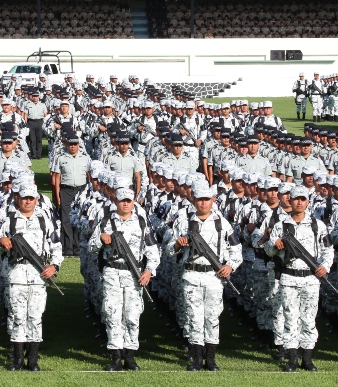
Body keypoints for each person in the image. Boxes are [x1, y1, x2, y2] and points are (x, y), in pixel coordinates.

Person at [168, 181, 242, 372]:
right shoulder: (184, 222)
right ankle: (195, 358)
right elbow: (168, 249)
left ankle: (210, 358)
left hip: (213, 276)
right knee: (194, 317)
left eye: (207, 200)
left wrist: (230, 266)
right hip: (191, 275)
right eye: (199, 200)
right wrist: (177, 245)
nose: (203, 203)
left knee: (212, 317)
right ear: (193, 200)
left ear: (213, 200)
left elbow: (236, 250)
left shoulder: (222, 223)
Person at [0, 182, 62, 371]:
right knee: (17, 316)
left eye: (31, 198)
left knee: (35, 316)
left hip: (38, 276)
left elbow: (56, 246)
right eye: (25, 198)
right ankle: (17, 360)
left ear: (37, 199)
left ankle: (32, 360)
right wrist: (0, 241)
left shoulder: (45, 221)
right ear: (18, 199)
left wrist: (54, 266)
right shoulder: (9, 221)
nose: (28, 201)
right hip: (15, 275)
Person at [90, 186, 159, 371]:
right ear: (116, 201)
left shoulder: (142, 222)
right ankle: (115, 357)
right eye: (122, 200)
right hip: (112, 273)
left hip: (134, 274)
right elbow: (91, 247)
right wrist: (100, 238)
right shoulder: (105, 221)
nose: (126, 203)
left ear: (134, 201)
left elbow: (153, 251)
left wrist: (149, 271)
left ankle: (130, 356)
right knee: (112, 314)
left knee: (132, 316)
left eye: (129, 200)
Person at [266, 185, 334, 372]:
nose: (299, 202)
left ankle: (307, 358)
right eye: (296, 199)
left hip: (310, 278)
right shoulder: (281, 225)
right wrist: (275, 245)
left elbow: (328, 249)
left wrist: (325, 266)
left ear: (308, 202)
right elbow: (268, 250)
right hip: (289, 277)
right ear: (290, 200)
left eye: (303, 199)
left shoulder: (317, 225)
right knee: (290, 317)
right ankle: (292, 358)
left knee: (309, 318)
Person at [51, 133, 90, 257]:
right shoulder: (60, 158)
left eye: (75, 144)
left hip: (81, 190)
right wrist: (57, 195)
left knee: (79, 218)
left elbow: (89, 177)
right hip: (66, 190)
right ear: (66, 145)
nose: (73, 146)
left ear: (78, 144)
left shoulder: (86, 158)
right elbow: (57, 178)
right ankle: (68, 247)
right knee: (66, 219)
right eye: (70, 144)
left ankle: (77, 247)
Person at [26, 89, 48, 160]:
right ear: (32, 97)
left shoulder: (42, 105)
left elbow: (45, 114)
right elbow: (26, 115)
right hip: (31, 122)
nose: (35, 97)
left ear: (39, 97)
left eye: (36, 96)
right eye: (34, 96)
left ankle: (39, 155)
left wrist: (45, 123)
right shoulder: (28, 105)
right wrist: (26, 124)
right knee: (32, 139)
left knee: (39, 139)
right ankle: (33, 154)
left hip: (40, 122)